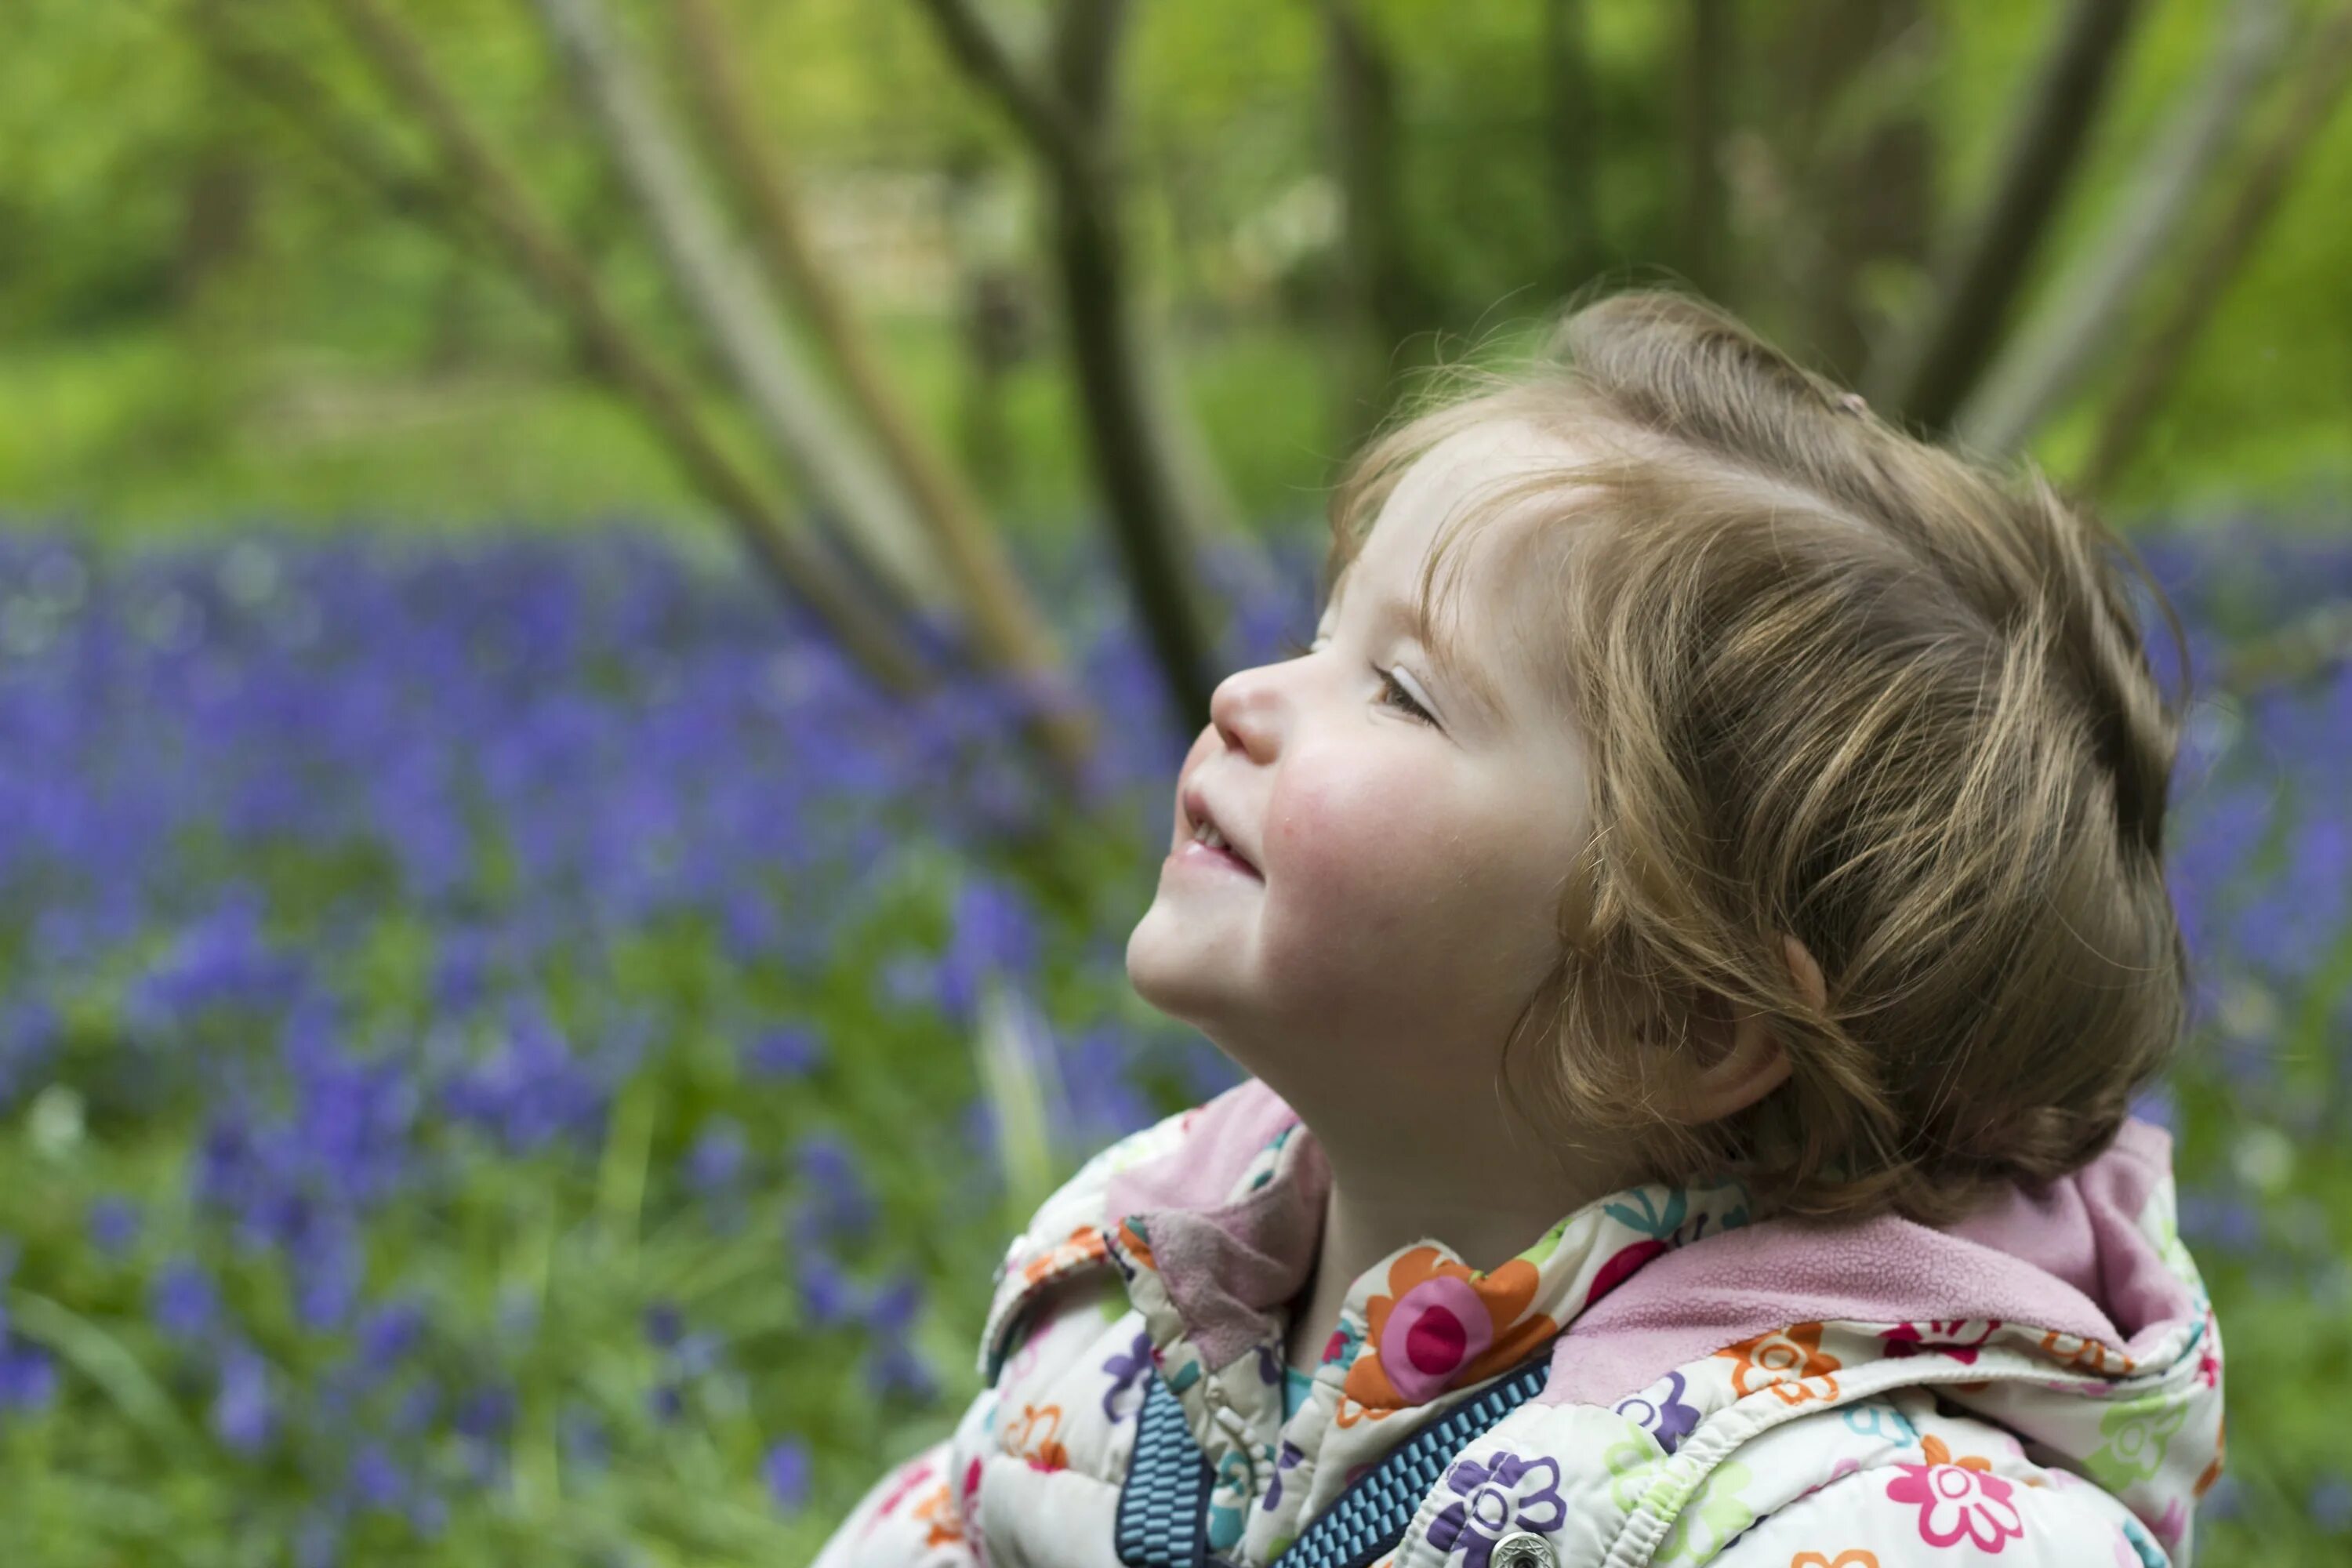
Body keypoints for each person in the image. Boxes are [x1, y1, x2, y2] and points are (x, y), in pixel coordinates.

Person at [810, 288, 2223, 1568]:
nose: (1248, 690)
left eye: (1404, 692)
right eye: (1319, 633)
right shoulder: (1123, 1318)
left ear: (1676, 1018)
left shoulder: (1872, 1532)